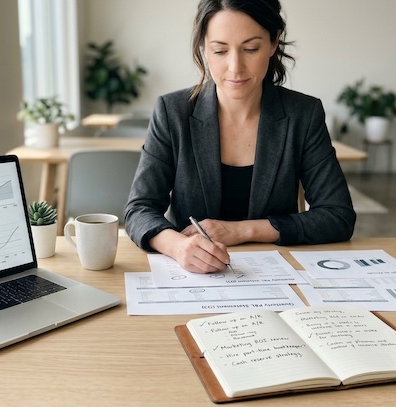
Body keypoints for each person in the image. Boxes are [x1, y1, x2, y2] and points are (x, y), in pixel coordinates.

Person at [124, 0, 356, 274]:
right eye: (220, 50)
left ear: (273, 43)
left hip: (276, 276)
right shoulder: (172, 112)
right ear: (204, 48)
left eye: (250, 49)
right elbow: (139, 209)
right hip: (195, 277)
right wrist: (177, 247)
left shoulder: (302, 114)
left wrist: (241, 231)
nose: (235, 67)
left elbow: (337, 215)